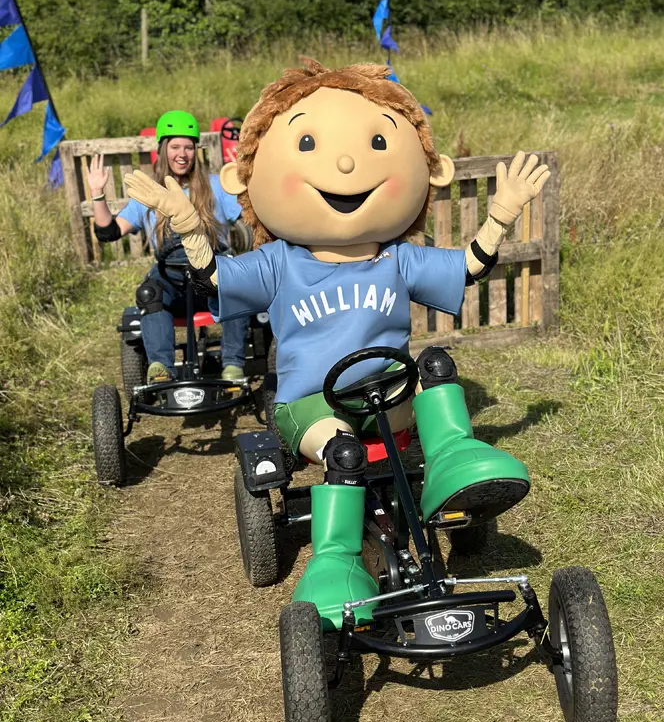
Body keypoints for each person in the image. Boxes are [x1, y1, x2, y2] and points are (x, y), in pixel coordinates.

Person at [123, 60, 550, 630]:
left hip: (388, 392)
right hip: (313, 406)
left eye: (378, 142)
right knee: (344, 456)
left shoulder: (396, 257)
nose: (347, 164)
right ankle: (337, 559)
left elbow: (468, 268)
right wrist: (187, 226)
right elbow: (216, 281)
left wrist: (500, 214)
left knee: (437, 364)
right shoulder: (279, 262)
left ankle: (453, 464)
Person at [87, 109, 249, 383]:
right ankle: (161, 367)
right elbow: (109, 232)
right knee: (149, 293)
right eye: (175, 147)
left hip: (211, 273)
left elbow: (249, 216)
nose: (182, 154)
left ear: (195, 151)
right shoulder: (150, 193)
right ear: (163, 150)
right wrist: (97, 194)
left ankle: (233, 365)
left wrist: (249, 182)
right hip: (171, 279)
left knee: (236, 287)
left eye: (188, 147)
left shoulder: (214, 186)